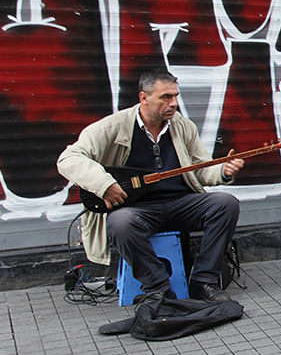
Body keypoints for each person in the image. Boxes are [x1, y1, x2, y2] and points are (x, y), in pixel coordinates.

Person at [57, 70, 245, 303]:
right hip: (138, 210)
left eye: (175, 96)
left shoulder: (183, 126)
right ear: (144, 98)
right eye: (165, 97)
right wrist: (105, 185)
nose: (174, 103)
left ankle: (202, 282)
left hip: (180, 204)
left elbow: (199, 169)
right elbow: (68, 159)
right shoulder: (112, 127)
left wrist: (223, 172)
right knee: (120, 222)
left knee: (225, 204)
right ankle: (159, 289)